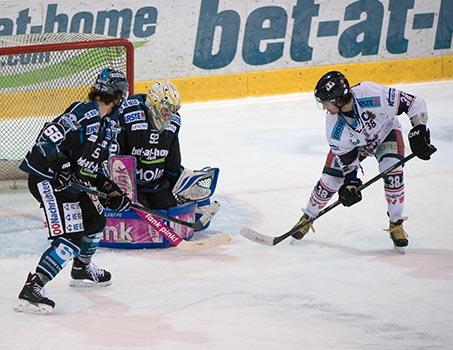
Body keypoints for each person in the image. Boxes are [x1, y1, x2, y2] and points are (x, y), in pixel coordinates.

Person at [15, 68, 132, 314]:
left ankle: (81, 269)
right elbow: (45, 141)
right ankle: (33, 288)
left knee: (96, 219)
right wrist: (61, 164)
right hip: (47, 180)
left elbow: (93, 169)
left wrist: (110, 191)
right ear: (118, 96)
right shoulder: (83, 112)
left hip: (71, 184)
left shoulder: (110, 128)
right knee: (71, 237)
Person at [291, 71, 436, 250]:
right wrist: (351, 182)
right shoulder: (333, 126)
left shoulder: (371, 93)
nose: (324, 108)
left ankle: (396, 223)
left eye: (326, 103)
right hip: (357, 146)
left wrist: (419, 128)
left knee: (393, 173)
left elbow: (415, 103)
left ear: (338, 99)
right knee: (330, 180)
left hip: (386, 133)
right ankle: (308, 217)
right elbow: (347, 158)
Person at [116, 81, 184, 209]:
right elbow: (117, 156)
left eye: (173, 111)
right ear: (154, 104)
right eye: (166, 110)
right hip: (129, 187)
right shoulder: (128, 113)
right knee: (139, 213)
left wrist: (177, 183)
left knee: (169, 208)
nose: (169, 115)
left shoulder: (174, 122)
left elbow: (172, 160)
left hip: (155, 184)